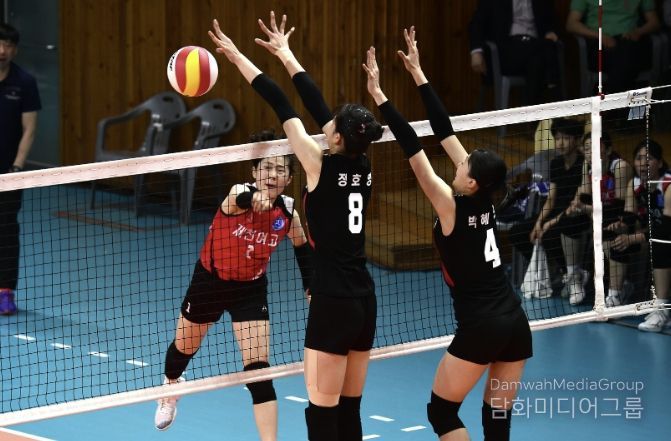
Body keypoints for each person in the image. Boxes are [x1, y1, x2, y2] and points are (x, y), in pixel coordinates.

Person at [209, 12, 384, 441]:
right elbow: (317, 105)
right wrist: (286, 53)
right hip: (364, 298)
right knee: (350, 410)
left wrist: (237, 57)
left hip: (333, 301)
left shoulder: (318, 164)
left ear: (336, 138)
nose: (329, 121)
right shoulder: (362, 163)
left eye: (334, 123)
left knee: (321, 414)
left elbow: (281, 102)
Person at [363, 27, 532, 441]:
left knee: (441, 413)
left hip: (481, 327)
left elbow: (414, 148)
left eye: (464, 164)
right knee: (497, 420)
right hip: (515, 323)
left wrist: (380, 96)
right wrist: (417, 73)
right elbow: (444, 130)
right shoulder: (486, 196)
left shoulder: (450, 206)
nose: (459, 160)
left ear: (471, 181)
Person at [154, 130, 313, 441]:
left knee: (259, 372)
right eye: (266, 168)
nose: (273, 174)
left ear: (289, 178)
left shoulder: (287, 213)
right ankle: (171, 387)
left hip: (249, 291)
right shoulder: (238, 193)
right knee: (183, 350)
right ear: (254, 172)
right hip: (209, 283)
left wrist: (311, 286)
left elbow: (303, 249)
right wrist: (254, 199)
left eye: (281, 169)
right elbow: (238, 199)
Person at [507, 118, 585, 301]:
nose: (560, 143)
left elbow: (576, 202)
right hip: (554, 213)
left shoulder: (584, 164)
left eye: (566, 138)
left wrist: (548, 224)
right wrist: (538, 222)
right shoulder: (556, 163)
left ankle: (571, 275)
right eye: (557, 138)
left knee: (548, 234)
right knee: (517, 233)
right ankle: (555, 271)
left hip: (573, 215)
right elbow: (551, 199)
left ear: (577, 140)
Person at [0, 23, 41, 315]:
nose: (2, 51)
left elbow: (29, 130)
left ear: (15, 50)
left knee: (6, 232)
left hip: (9, 174)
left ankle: (5, 292)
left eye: (9, 46)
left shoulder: (24, 82)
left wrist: (17, 168)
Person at [566, 132, 634, 306]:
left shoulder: (619, 167)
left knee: (608, 229)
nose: (590, 153)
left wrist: (585, 208)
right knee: (569, 222)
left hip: (625, 219)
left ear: (608, 150)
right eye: (587, 149)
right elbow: (584, 197)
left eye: (595, 148)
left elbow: (619, 208)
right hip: (599, 216)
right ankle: (575, 276)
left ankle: (618, 290)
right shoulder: (587, 166)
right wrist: (575, 208)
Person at [612, 140, 671, 331]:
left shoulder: (668, 185)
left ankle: (662, 309)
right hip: (651, 233)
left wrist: (633, 238)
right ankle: (615, 296)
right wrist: (621, 225)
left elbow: (666, 227)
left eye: (649, 159)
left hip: (666, 234)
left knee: (660, 243)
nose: (643, 163)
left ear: (659, 163)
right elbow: (631, 216)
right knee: (616, 238)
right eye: (638, 158)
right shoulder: (635, 184)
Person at [469, 0, 561, 106]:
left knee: (537, 61)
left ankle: (531, 114)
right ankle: (552, 86)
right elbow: (477, 23)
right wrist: (476, 52)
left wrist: (550, 32)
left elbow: (552, 20)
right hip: (507, 50)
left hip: (535, 48)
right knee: (546, 49)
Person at [566, 0, 660, 95]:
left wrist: (638, 32)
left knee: (626, 53)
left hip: (630, 42)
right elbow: (571, 24)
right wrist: (600, 36)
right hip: (598, 42)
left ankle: (614, 97)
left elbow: (654, 22)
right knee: (623, 59)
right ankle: (618, 98)